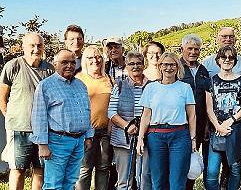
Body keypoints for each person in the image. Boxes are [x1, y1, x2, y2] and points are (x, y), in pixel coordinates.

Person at [30, 49, 94, 190]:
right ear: (55, 64)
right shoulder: (45, 86)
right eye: (64, 62)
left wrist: (89, 136)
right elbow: (38, 116)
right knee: (53, 184)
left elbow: (87, 111)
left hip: (79, 142)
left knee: (70, 182)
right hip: (57, 142)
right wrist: (42, 145)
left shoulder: (81, 85)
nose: (69, 66)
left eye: (72, 62)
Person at [0, 33, 54, 190]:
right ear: (23, 47)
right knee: (18, 170)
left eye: (39, 45)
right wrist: (11, 119)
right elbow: (2, 97)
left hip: (43, 132)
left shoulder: (50, 70)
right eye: (32, 45)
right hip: (19, 130)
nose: (36, 49)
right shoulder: (13, 66)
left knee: (39, 170)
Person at [136, 52, 197, 189]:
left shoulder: (185, 88)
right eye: (165, 64)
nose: (168, 68)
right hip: (156, 136)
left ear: (177, 67)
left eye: (172, 64)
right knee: (158, 181)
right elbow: (146, 115)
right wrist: (140, 138)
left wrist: (193, 139)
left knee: (177, 182)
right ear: (160, 66)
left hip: (179, 136)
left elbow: (192, 116)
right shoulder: (151, 88)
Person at [205, 46, 241, 190]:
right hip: (216, 131)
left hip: (235, 130)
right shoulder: (211, 81)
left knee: (235, 170)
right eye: (224, 57)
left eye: (231, 58)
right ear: (218, 60)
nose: (227, 60)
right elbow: (209, 108)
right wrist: (218, 126)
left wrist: (231, 120)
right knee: (211, 173)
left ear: (235, 61)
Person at [108, 51, 151, 190]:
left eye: (139, 63)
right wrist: (127, 126)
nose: (135, 66)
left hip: (147, 137)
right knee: (124, 180)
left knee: (144, 177)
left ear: (144, 65)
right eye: (131, 63)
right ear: (126, 66)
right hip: (123, 138)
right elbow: (111, 112)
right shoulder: (119, 86)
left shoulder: (152, 86)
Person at [75, 46, 114, 190]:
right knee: (85, 169)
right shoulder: (79, 79)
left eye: (98, 57)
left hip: (105, 131)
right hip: (86, 132)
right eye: (90, 57)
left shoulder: (109, 78)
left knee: (103, 168)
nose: (95, 60)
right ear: (84, 60)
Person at [179, 34, 211, 190]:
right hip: (180, 125)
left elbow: (207, 101)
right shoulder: (176, 67)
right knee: (179, 163)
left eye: (196, 49)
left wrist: (205, 126)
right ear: (182, 49)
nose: (193, 52)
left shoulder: (203, 70)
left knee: (193, 163)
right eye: (189, 48)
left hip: (199, 124)